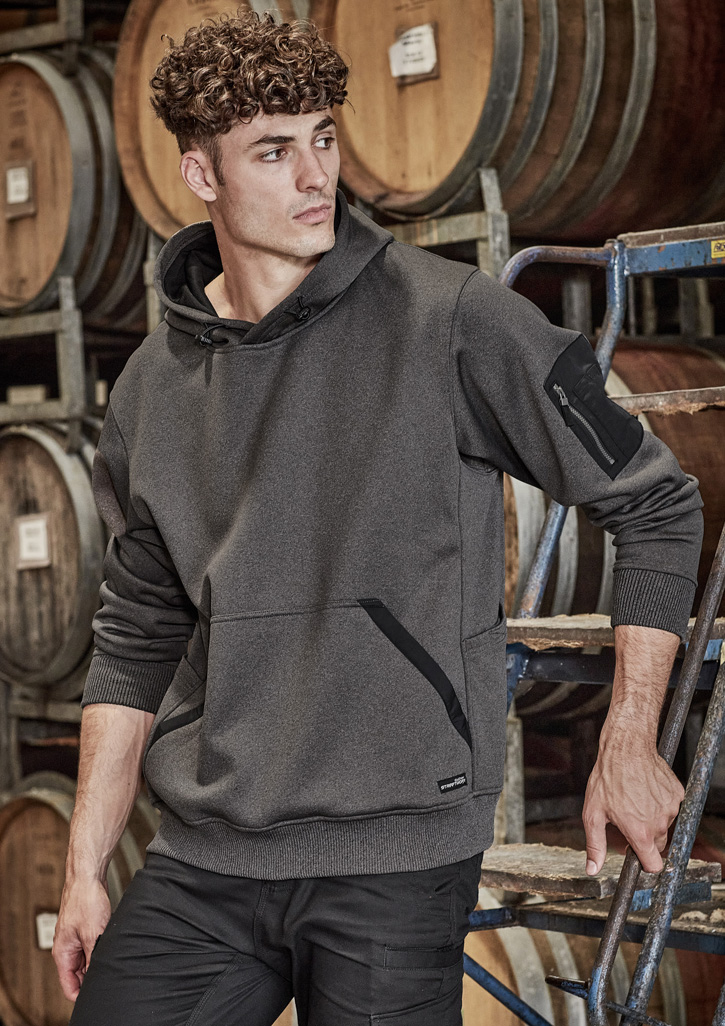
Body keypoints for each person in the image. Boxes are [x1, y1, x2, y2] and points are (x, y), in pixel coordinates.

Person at [52, 10, 702, 1026]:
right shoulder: (149, 385)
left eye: (323, 137)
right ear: (200, 175)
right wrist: (85, 866)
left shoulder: (453, 319)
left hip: (392, 857)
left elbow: (656, 497)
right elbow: (136, 633)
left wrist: (628, 736)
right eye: (274, 152)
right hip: (208, 856)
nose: (317, 176)